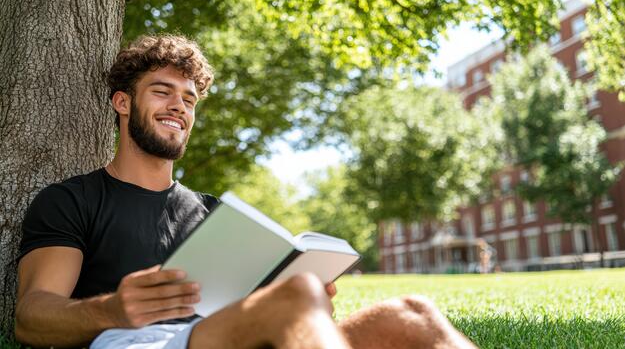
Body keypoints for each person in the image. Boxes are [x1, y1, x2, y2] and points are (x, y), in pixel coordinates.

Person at [14, 35, 477, 349]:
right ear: (122, 102)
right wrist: (110, 309)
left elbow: (255, 309)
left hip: (224, 336)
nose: (179, 105)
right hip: (136, 342)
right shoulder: (72, 200)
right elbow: (32, 317)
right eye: (162, 91)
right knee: (295, 297)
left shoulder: (214, 214)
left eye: (189, 99)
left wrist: (311, 297)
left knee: (412, 314)